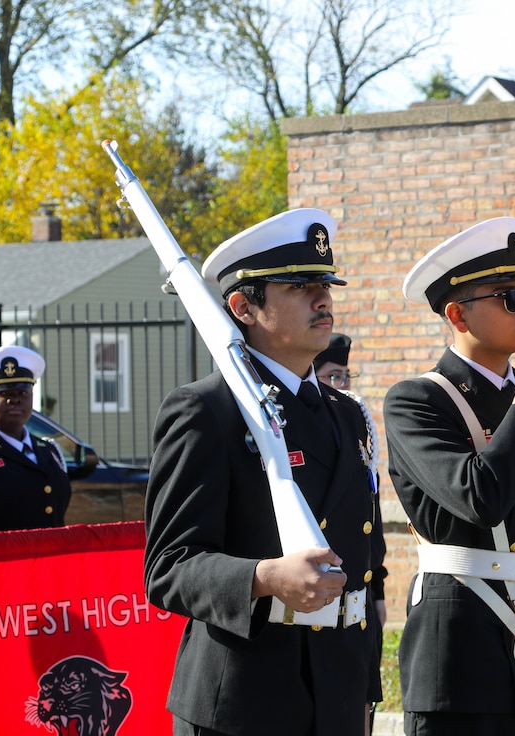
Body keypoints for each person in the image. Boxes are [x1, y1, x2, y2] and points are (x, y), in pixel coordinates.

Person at [143, 209, 379, 736]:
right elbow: (169, 567)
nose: (323, 299)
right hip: (245, 700)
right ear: (243, 306)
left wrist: (365, 691)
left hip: (337, 691)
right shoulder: (206, 411)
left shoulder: (348, 414)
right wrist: (264, 577)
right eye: (299, 286)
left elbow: (364, 563)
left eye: (325, 283)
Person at [383, 217, 515, 736]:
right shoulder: (419, 399)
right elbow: (480, 496)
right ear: (457, 313)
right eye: (508, 297)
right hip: (461, 646)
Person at [313, 333, 388, 728]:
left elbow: (369, 524)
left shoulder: (356, 425)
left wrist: (377, 587)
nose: (343, 385)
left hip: (355, 606)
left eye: (346, 376)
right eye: (333, 376)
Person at [0, 346, 71, 532]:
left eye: (23, 393)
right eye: (4, 394)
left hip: (49, 559)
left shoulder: (48, 450)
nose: (15, 400)